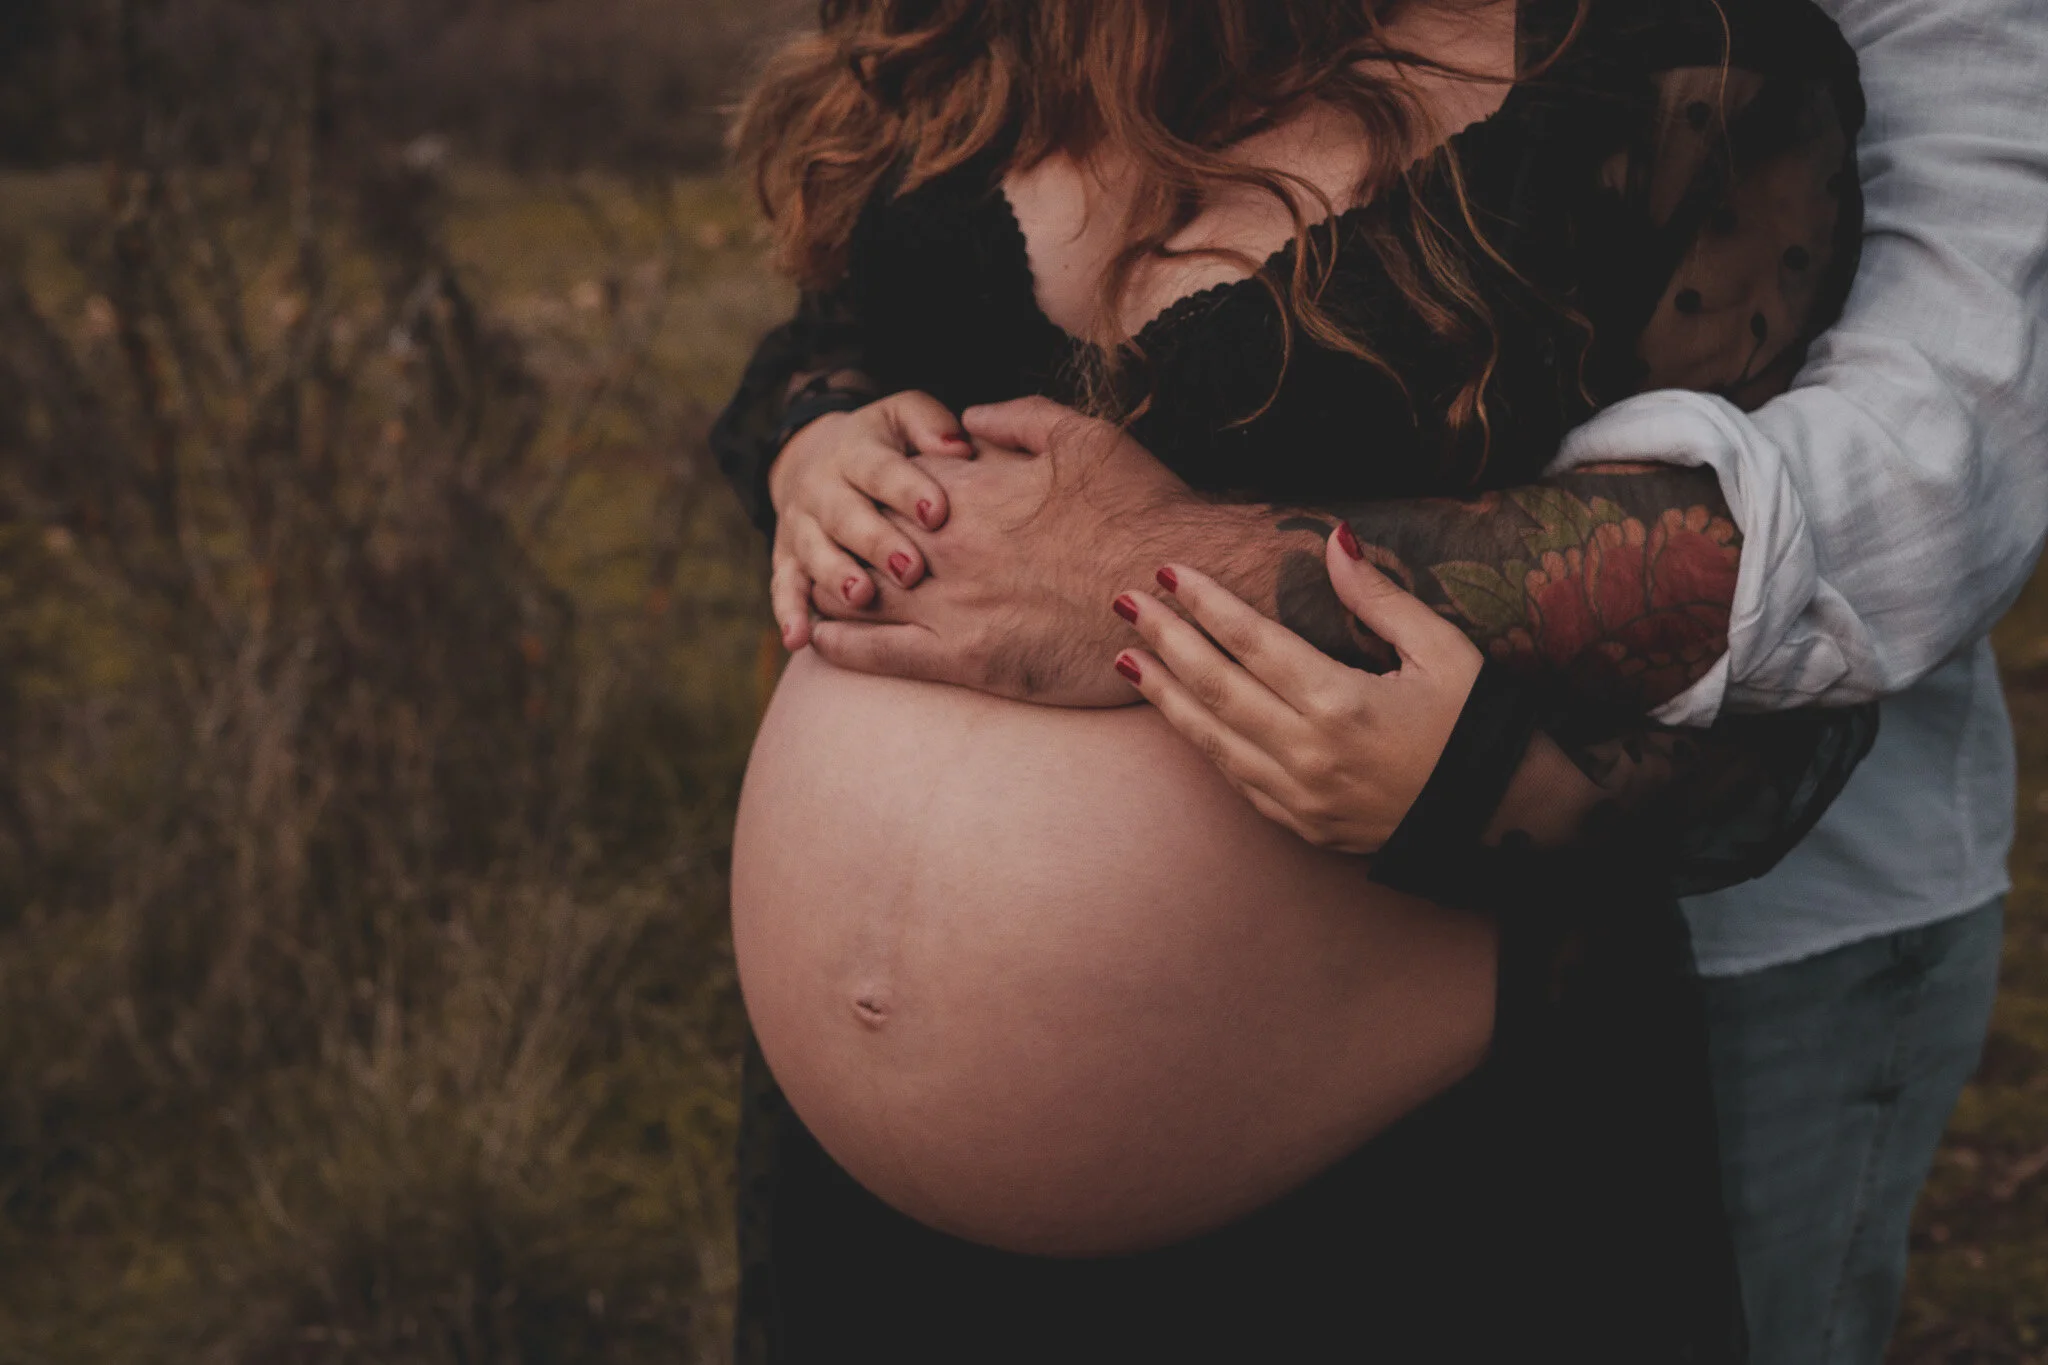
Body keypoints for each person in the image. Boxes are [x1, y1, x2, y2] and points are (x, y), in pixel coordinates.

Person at [728, 0, 2048, 1358]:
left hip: (1365, 1182)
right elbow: (847, 313)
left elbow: (1785, 629)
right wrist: (822, 439)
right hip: (863, 1212)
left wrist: (1480, 780)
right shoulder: (1042, 26)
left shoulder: (1687, 87)